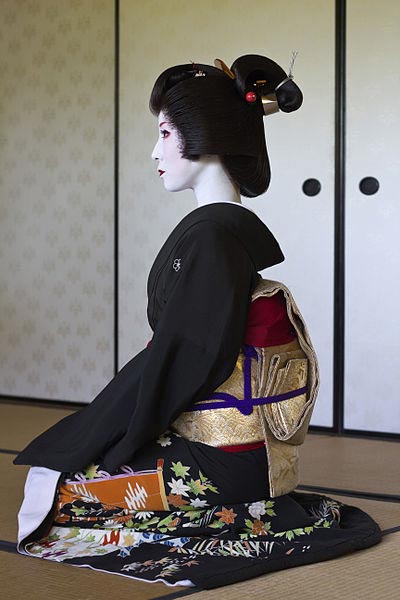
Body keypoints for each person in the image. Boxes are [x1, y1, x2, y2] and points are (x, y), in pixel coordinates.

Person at [14, 54, 381, 589]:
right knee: (61, 470)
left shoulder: (213, 238)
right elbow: (180, 355)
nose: (154, 151)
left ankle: (235, 508)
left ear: (204, 137)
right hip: (242, 453)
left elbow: (185, 358)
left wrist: (106, 437)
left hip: (226, 459)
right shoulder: (218, 233)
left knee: (58, 490)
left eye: (165, 133)